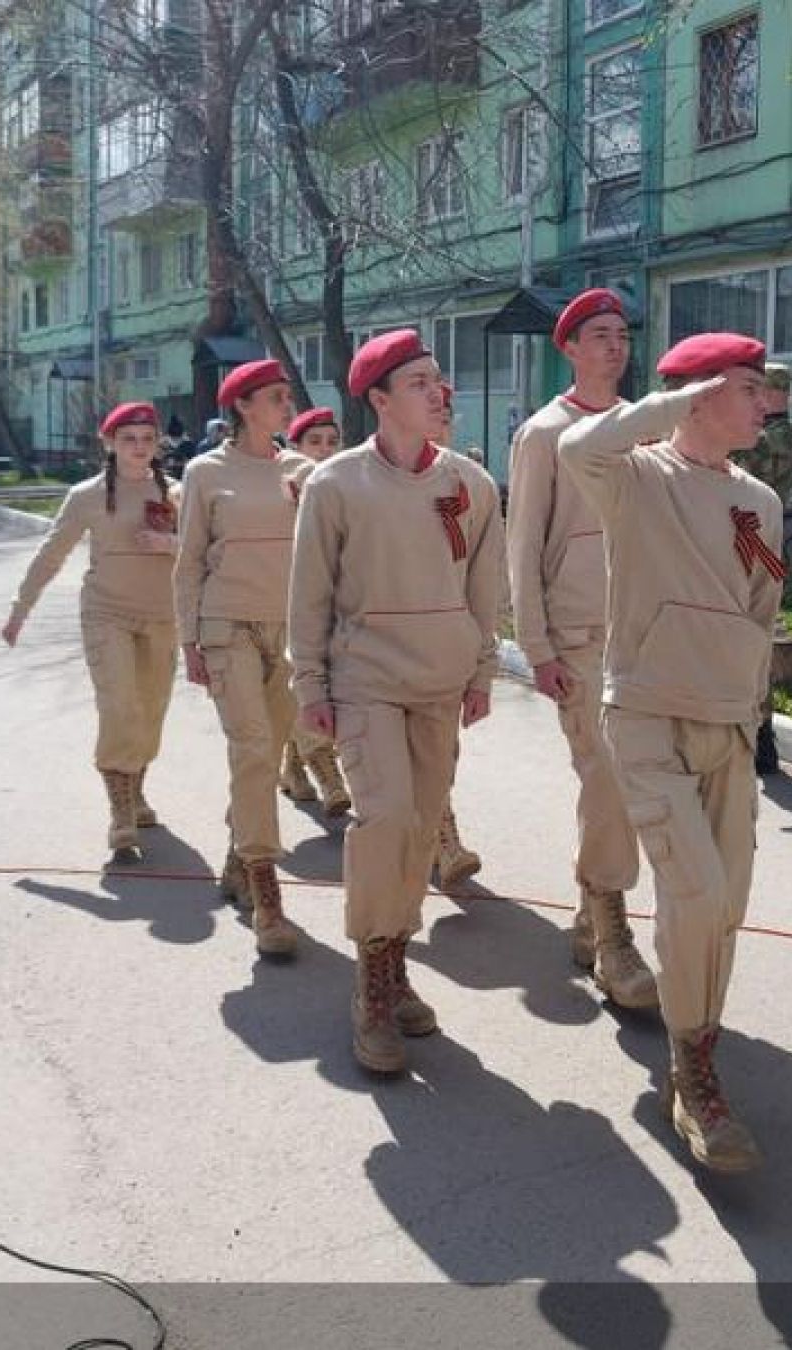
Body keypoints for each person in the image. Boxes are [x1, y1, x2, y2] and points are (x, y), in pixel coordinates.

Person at [559, 331, 783, 1173]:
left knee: (725, 903)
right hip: (648, 714)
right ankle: (695, 1076)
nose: (764, 404)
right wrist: (664, 405)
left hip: (725, 722)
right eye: (748, 389)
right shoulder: (637, 477)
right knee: (694, 891)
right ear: (700, 396)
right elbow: (580, 442)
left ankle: (692, 1054)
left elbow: (761, 604)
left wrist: (753, 712)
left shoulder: (759, 500)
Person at [289, 330, 506, 1076]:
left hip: (440, 685)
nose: (437, 391)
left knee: (420, 835)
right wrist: (311, 686)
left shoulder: (470, 484)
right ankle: (372, 986)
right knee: (383, 822)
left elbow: (485, 589)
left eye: (438, 379)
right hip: (366, 680)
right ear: (378, 400)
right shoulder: (336, 484)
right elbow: (309, 594)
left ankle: (396, 958)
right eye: (418, 382)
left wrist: (481, 672)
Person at [505, 287, 656, 1010]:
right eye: (598, 334)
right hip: (580, 634)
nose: (614, 345)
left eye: (621, 333)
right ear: (568, 347)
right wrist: (537, 645)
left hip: (644, 633)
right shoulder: (544, 432)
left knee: (625, 783)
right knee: (610, 780)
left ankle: (590, 912)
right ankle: (614, 932)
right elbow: (523, 541)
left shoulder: (643, 428)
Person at [175, 360, 313, 957]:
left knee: (271, 750)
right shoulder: (205, 472)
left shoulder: (305, 471)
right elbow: (189, 562)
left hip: (289, 630)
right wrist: (189, 641)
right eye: (276, 398)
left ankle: (238, 854)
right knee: (254, 747)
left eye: (287, 397)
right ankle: (267, 893)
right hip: (227, 625)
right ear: (243, 407)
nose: (288, 406)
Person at [0, 403, 179, 862]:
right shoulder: (87, 495)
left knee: (152, 710)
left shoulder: (177, 494)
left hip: (163, 616)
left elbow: (203, 551)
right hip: (107, 614)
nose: (139, 447)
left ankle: (137, 790)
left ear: (158, 444)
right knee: (120, 705)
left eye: (147, 439)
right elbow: (52, 552)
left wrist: (169, 543)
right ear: (110, 444)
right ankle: (120, 813)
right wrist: (21, 608)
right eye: (129, 439)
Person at [276, 407, 352, 816]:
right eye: (314, 442)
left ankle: (293, 766)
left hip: (337, 601)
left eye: (331, 442)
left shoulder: (344, 484)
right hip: (285, 603)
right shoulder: (282, 486)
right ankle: (327, 773)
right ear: (295, 447)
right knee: (299, 682)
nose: (324, 451)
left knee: (330, 685)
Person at [425, 379, 484, 893]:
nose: (439, 420)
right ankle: (442, 841)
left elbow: (484, 573)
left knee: (444, 751)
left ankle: (436, 835)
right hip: (390, 646)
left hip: (452, 637)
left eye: (446, 413)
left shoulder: (470, 482)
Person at [733, 362, 792, 776]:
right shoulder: (778, 435)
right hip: (757, 546)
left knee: (752, 642)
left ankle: (760, 737)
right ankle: (758, 734)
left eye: (763, 390)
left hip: (755, 550)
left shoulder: (772, 438)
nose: (759, 398)